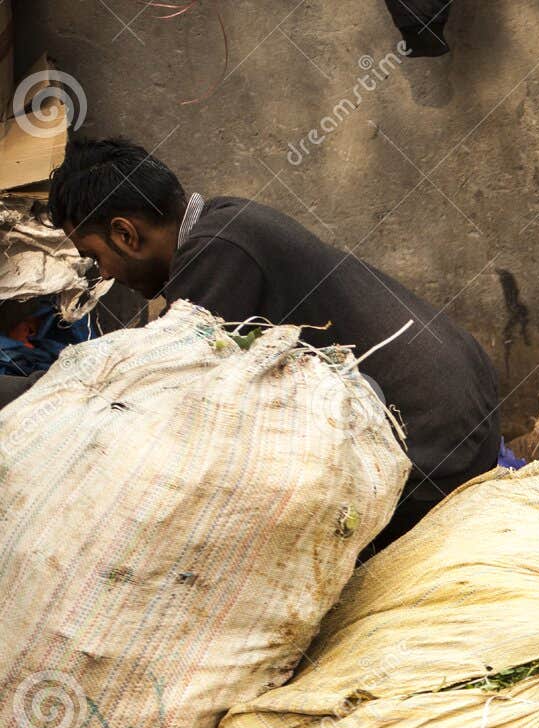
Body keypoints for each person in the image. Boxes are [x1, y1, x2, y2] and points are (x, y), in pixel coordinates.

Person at [42, 136, 501, 548]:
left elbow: (164, 400)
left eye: (94, 256)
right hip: (464, 417)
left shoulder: (218, 255)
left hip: (435, 455)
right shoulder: (226, 221)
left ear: (125, 233)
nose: (102, 274)